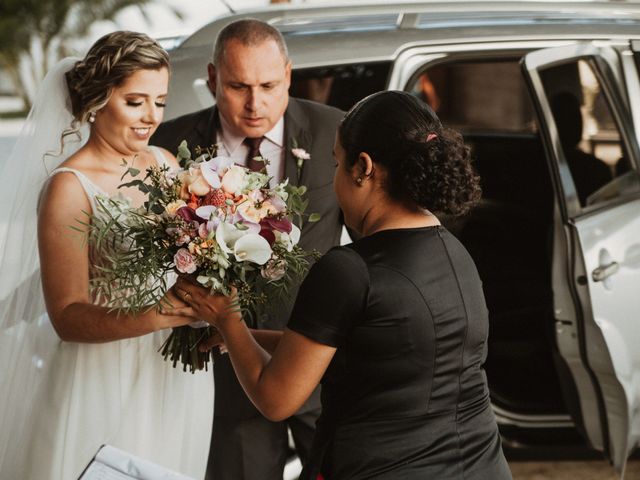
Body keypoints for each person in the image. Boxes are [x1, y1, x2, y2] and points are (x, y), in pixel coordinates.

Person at [169, 90, 514, 479]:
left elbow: (276, 399)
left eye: (336, 163)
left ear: (363, 168)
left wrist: (227, 318)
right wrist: (244, 336)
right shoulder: (455, 254)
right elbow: (366, 348)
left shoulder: (349, 270)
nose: (334, 179)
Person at [0, 31, 213, 480]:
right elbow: (66, 316)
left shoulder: (165, 164)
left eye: (160, 101)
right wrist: (157, 315)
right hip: (102, 372)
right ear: (98, 100)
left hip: (173, 372)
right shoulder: (69, 188)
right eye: (135, 101)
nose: (151, 117)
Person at [151, 19, 345, 480]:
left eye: (268, 85)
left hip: (315, 357)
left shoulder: (336, 130)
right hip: (223, 373)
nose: (255, 103)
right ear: (213, 78)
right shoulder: (168, 147)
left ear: (289, 75)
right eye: (238, 86)